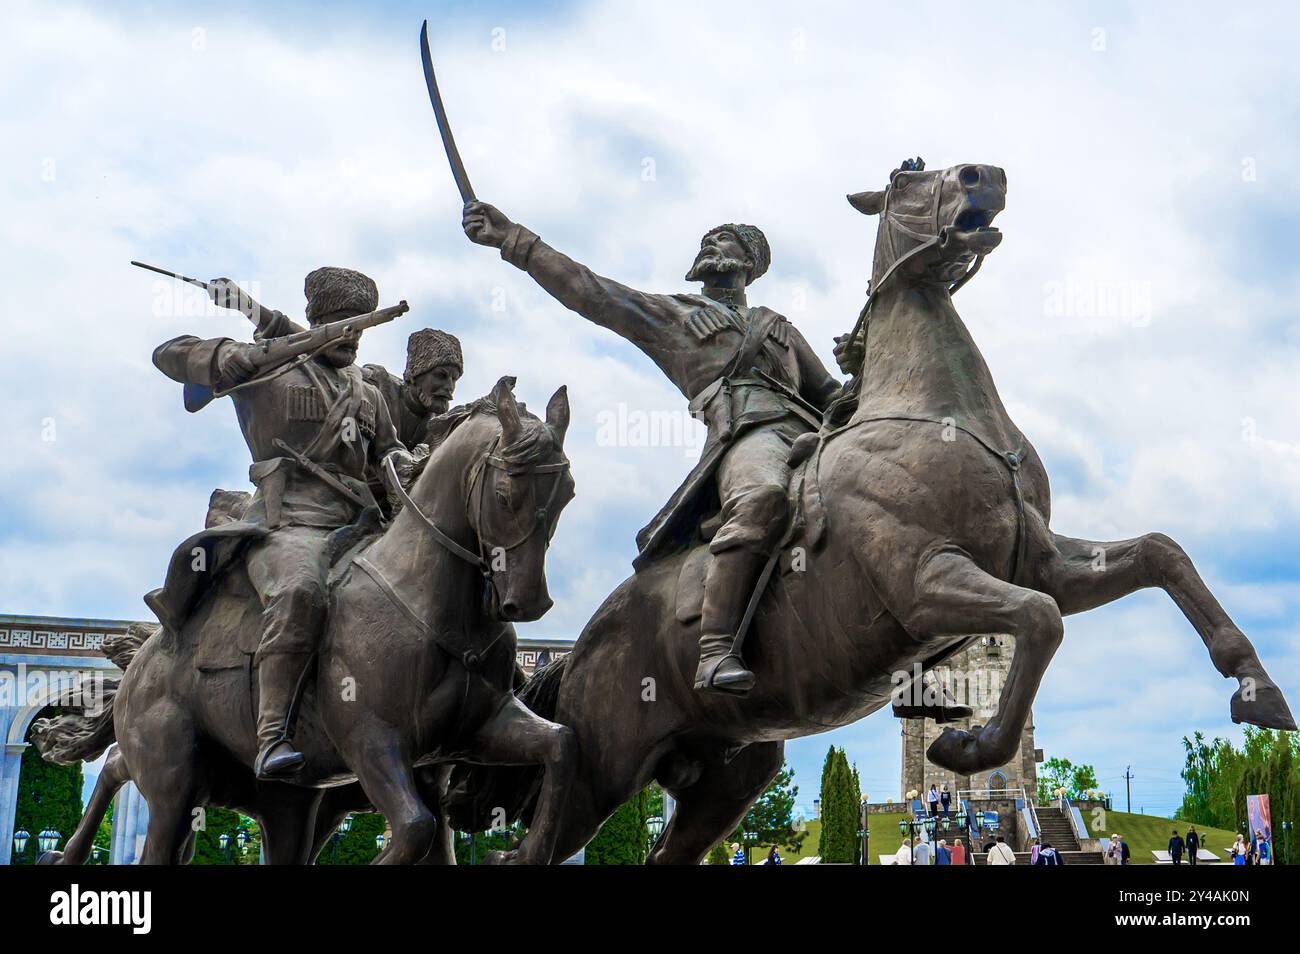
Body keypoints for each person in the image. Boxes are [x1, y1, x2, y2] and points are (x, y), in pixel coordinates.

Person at [463, 202, 842, 694]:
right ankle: (715, 649)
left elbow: (831, 394)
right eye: (708, 238)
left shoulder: (778, 328)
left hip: (814, 434)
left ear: (749, 262)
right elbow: (591, 293)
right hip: (749, 437)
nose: (711, 244)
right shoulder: (676, 316)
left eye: (724, 238)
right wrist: (514, 240)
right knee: (763, 497)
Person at [151, 268, 416, 779]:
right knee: (299, 591)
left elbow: (389, 451)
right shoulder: (271, 371)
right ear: (317, 322)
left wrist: (401, 463)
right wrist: (241, 356)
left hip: (361, 525)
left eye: (362, 327)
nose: (354, 337)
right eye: (344, 324)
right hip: (288, 524)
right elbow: (169, 354)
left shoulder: (368, 391)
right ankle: (272, 734)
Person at [362, 328, 463, 449]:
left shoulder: (442, 428)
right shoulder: (375, 385)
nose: (449, 387)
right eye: (441, 375)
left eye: (454, 379)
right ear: (413, 374)